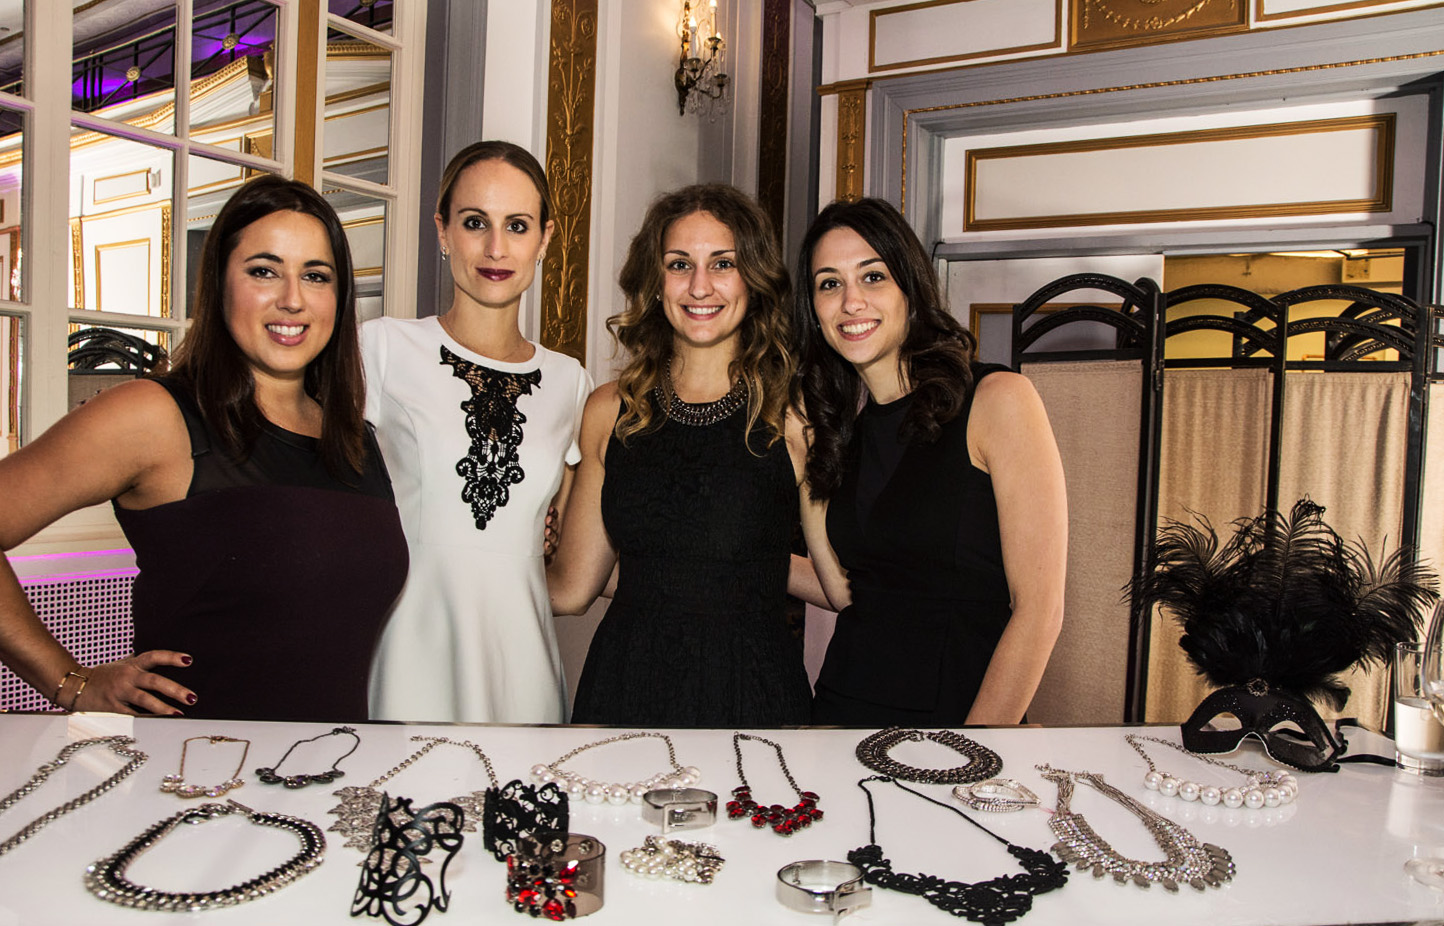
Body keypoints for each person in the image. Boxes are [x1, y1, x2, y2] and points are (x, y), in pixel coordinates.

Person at [0, 174, 408, 721]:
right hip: (191, 765)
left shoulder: (356, 440)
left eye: (315, 276)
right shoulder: (155, 416)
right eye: (264, 271)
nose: (292, 299)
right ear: (218, 284)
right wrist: (69, 682)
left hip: (335, 763)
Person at [795, 197, 1067, 727]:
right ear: (814, 311)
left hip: (957, 722)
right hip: (839, 715)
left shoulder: (997, 400)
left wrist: (976, 746)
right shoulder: (843, 430)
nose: (851, 301)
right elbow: (848, 593)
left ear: (910, 287)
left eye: (872, 276)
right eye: (829, 284)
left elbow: (1040, 611)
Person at [548, 184, 812, 727]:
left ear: (754, 277)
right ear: (655, 280)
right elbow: (572, 589)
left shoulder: (793, 414)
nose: (699, 286)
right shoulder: (609, 409)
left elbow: (843, 580)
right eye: (679, 264)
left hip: (752, 693)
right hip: (626, 687)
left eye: (723, 263)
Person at [364, 141, 591, 724]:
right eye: (474, 223)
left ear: (544, 239)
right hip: (410, 653)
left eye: (517, 225)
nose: (496, 248)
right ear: (442, 231)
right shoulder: (383, 348)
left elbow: (562, 539)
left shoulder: (570, 381)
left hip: (523, 663)